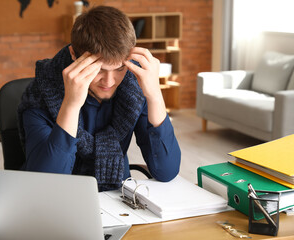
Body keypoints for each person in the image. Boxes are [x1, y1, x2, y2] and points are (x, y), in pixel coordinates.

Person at [18, 5, 181, 191]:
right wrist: (70, 106)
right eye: (99, 70)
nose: (110, 82)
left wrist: (155, 96)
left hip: (118, 199)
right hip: (60, 204)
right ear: (74, 55)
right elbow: (47, 185)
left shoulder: (134, 87)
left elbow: (167, 171)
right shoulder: (40, 93)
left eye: (119, 68)